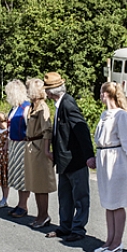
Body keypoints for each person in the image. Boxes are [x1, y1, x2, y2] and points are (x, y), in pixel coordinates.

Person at [86, 82, 127, 252]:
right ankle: (109, 240)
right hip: (103, 158)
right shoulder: (104, 114)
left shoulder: (121, 115)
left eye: (102, 92)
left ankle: (117, 242)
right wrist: (96, 156)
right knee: (108, 203)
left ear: (106, 94)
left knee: (117, 202)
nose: (100, 96)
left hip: (116, 160)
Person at [43, 72, 94, 242]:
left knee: (80, 196)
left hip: (75, 159)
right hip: (64, 160)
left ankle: (78, 228)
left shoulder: (68, 104)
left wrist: (89, 156)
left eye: (47, 89)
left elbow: (82, 130)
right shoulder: (60, 104)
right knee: (65, 197)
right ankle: (65, 226)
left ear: (53, 91)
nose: (46, 93)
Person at [23, 78, 56, 228]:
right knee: (35, 184)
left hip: (38, 147)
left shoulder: (43, 108)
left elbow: (47, 130)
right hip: (31, 146)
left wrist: (45, 150)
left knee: (41, 184)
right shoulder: (32, 107)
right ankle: (40, 214)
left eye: (29, 88)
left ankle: (44, 215)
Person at [5, 79, 31, 213]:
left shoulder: (26, 107)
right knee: (17, 175)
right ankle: (20, 204)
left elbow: (30, 128)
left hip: (23, 144)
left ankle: (23, 205)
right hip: (14, 144)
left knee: (23, 176)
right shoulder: (14, 109)